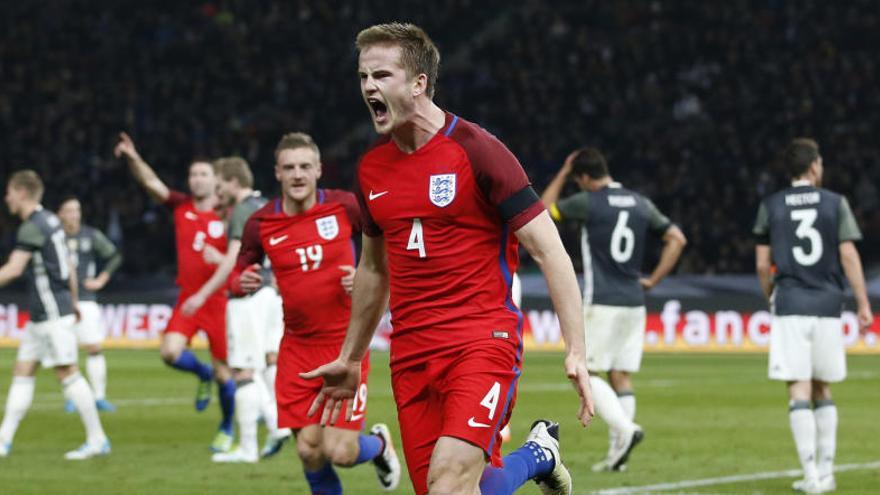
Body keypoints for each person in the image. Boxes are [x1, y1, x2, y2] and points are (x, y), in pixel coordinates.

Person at [302, 23, 594, 495]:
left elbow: (551, 250)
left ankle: (537, 455)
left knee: (449, 485)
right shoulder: (371, 168)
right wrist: (351, 357)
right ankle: (539, 454)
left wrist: (576, 350)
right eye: (362, 77)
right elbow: (374, 269)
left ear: (419, 83)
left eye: (381, 75)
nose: (368, 87)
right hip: (412, 353)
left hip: (482, 340)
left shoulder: (478, 151)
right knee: (460, 487)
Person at [230, 132, 400, 491]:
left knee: (338, 450)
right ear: (276, 172)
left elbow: (386, 249)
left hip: (346, 346)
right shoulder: (260, 224)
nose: (297, 174)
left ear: (319, 169)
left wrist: (364, 278)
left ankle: (380, 446)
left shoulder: (345, 206)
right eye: (289, 167)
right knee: (309, 450)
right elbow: (239, 270)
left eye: (305, 166)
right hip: (296, 350)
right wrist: (241, 282)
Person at [541, 148, 686, 471]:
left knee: (586, 372)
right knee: (621, 376)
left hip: (603, 300)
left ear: (585, 179)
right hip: (635, 301)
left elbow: (543, 211)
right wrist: (654, 279)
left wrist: (563, 174)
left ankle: (626, 430)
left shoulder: (589, 201)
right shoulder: (640, 203)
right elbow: (677, 238)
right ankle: (618, 456)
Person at [753, 138, 873, 494]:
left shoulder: (771, 205)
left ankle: (810, 476)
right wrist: (863, 302)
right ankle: (827, 471)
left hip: (791, 303)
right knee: (824, 386)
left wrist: (771, 294)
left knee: (799, 389)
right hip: (828, 305)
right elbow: (849, 254)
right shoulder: (836, 203)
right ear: (814, 166)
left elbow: (762, 263)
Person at [114, 132, 236, 452]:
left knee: (228, 375)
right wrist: (133, 156)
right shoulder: (181, 206)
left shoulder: (229, 214)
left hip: (219, 302)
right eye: (193, 174)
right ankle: (202, 373)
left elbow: (241, 260)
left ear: (216, 180)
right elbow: (152, 183)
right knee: (169, 352)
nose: (196, 180)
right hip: (188, 297)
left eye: (203, 174)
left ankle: (226, 427)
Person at [0, 170, 110, 459]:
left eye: (9, 192)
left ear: (22, 193)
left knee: (67, 372)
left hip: (50, 314)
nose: (6, 198)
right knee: (23, 371)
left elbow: (13, 269)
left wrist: (67, 305)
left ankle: (97, 439)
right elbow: (71, 267)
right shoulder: (51, 220)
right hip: (46, 314)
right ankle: (3, 440)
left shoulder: (33, 227)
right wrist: (73, 302)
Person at [204, 156, 290, 463]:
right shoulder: (266, 205)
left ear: (233, 182)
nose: (217, 191)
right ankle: (278, 421)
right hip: (269, 291)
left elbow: (233, 258)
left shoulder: (241, 210)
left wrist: (204, 293)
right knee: (268, 361)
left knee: (242, 370)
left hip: (247, 296)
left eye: (219, 185)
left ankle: (250, 445)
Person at [57, 196, 123, 413]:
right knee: (66, 352)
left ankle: (99, 396)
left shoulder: (90, 235)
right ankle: (71, 398)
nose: (74, 215)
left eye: (77, 210)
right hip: (60, 301)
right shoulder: (54, 238)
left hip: (86, 299)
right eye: (69, 210)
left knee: (94, 347)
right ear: (60, 214)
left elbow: (114, 256)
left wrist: (101, 279)